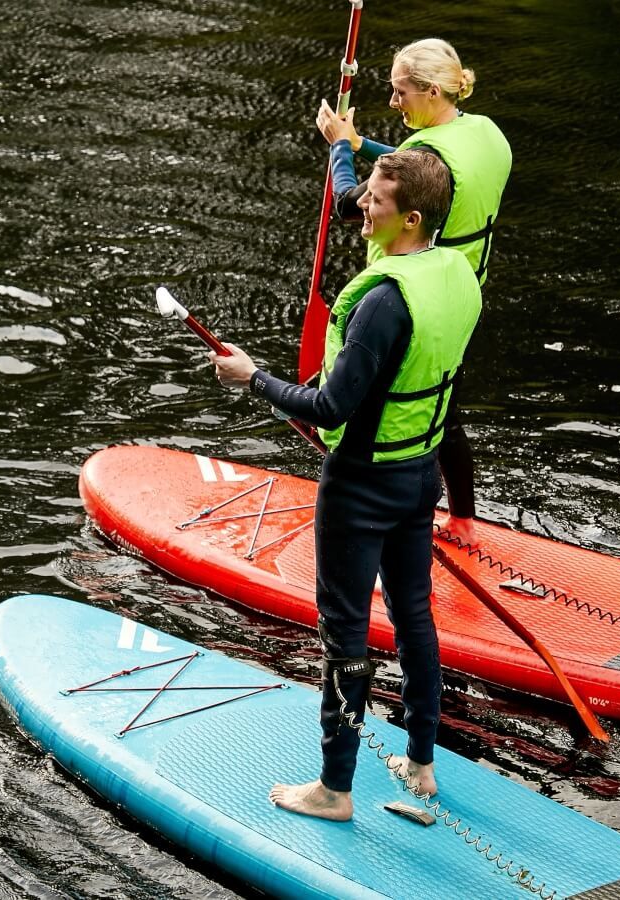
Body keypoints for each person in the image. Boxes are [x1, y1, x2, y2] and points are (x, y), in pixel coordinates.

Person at [210, 150, 481, 819]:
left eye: (377, 200)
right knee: (415, 618)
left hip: (360, 487)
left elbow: (331, 407)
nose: (363, 205)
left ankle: (334, 789)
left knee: (345, 636)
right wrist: (344, 150)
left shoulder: (384, 303)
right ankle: (421, 766)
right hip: (419, 478)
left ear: (410, 218)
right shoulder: (454, 275)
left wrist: (255, 380)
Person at [316, 37, 510, 547]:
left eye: (401, 92)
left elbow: (346, 205)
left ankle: (373, 520)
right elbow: (425, 165)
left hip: (409, 295)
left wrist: (339, 146)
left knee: (378, 410)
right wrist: (364, 147)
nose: (394, 103)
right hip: (462, 291)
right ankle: (464, 519)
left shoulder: (425, 154)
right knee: (442, 403)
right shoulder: (485, 133)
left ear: (429, 90)